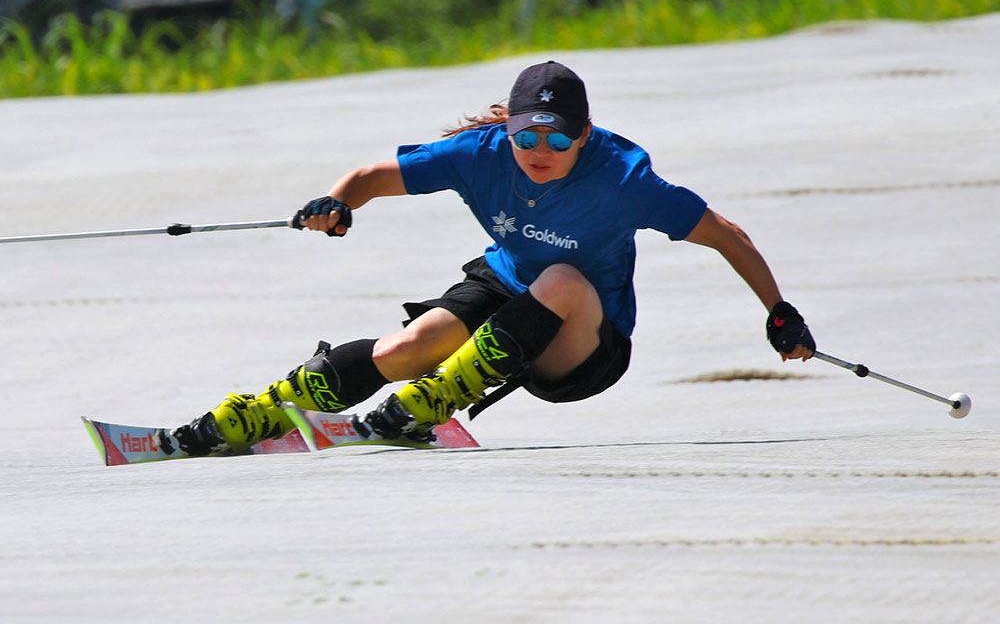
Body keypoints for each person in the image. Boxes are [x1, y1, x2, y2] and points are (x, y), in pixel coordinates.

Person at [168, 61, 815, 456]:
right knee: (409, 346)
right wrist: (336, 203)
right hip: (506, 287)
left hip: (584, 346)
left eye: (558, 138)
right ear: (507, 130)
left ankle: (434, 401)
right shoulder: (479, 154)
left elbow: (727, 233)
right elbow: (370, 175)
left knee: (563, 279)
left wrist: (779, 310)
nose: (540, 148)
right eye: (525, 135)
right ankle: (263, 410)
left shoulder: (623, 181)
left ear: (584, 135)